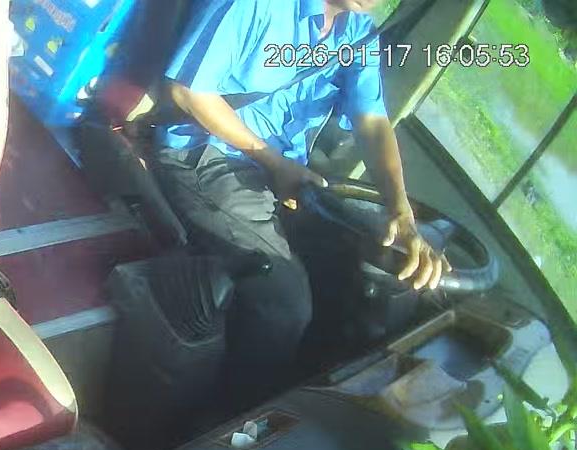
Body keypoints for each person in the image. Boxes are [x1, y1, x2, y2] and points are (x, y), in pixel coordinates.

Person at [151, 0, 448, 397]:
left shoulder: (357, 34)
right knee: (284, 302)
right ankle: (235, 412)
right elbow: (188, 91)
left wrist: (401, 212)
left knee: (352, 273)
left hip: (285, 174)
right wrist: (273, 162)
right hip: (207, 155)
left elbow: (373, 123)